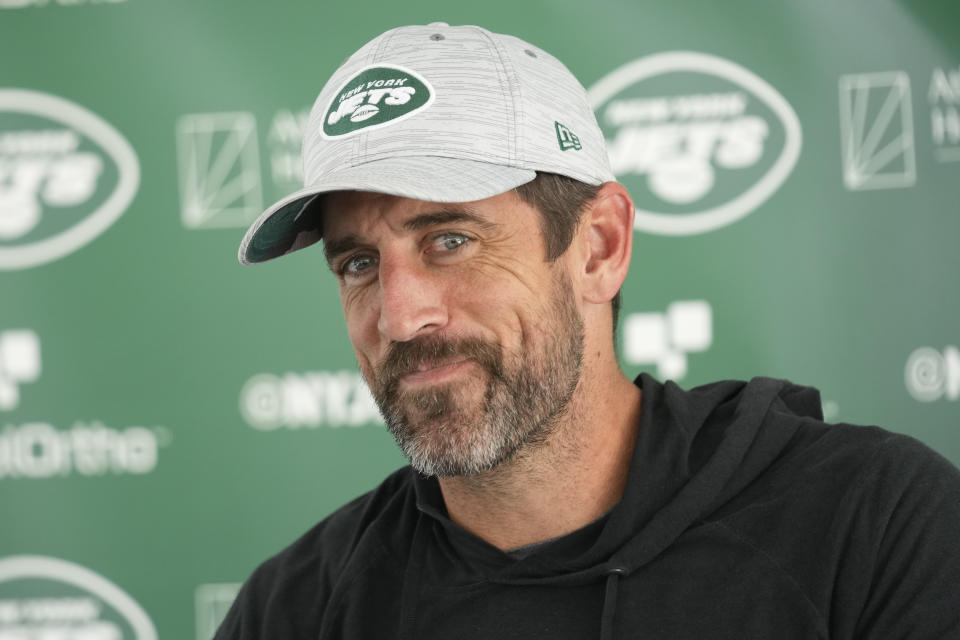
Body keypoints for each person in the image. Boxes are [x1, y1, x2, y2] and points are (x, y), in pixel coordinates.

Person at [217, 23, 960, 640]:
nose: (402, 315)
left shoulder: (874, 527)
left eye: (450, 240)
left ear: (598, 247)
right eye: (357, 263)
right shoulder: (293, 612)